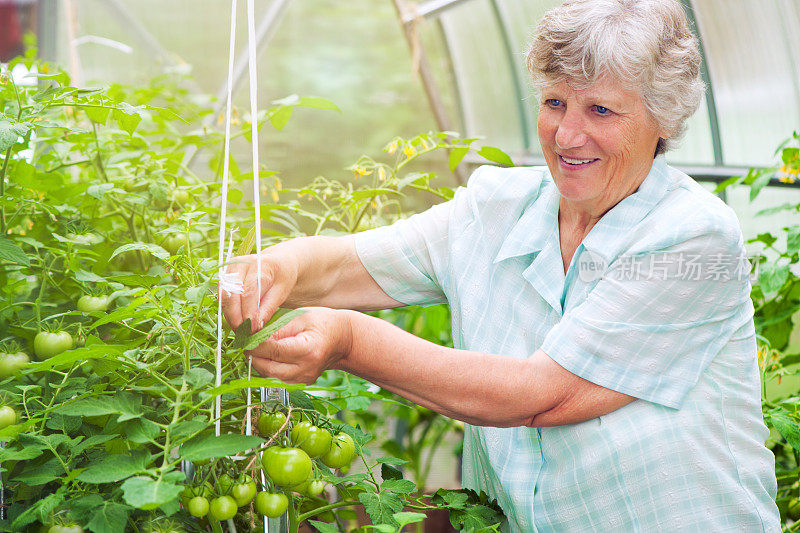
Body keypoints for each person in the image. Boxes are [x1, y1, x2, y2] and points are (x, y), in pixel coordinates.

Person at [222, 0, 780, 530]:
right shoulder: (497, 207)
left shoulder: (692, 236)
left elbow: (542, 394)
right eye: (554, 102)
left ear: (662, 118)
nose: (566, 135)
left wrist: (348, 341)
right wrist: (280, 266)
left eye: (600, 110)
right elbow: (347, 266)